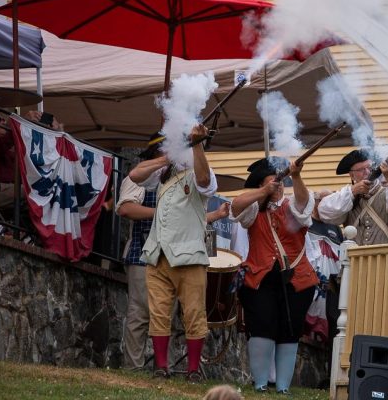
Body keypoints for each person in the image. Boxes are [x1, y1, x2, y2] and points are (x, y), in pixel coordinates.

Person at [117, 133, 230, 371]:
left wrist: (197, 144)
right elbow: (134, 175)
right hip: (156, 253)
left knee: (192, 314)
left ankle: (192, 370)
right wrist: (167, 159)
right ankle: (157, 368)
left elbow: (202, 179)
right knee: (155, 314)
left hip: (188, 255)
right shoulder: (160, 172)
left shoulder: (199, 175)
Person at [231, 157, 318, 394]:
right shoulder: (253, 208)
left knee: (290, 331)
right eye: (274, 180)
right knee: (261, 326)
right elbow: (235, 206)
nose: (279, 185)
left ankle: (282, 387)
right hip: (260, 279)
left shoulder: (292, 205)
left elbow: (305, 204)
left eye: (281, 181)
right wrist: (262, 191)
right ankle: (260, 384)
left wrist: (296, 175)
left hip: (297, 279)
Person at [318, 150, 388, 246]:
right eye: (361, 170)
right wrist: (353, 191)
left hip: (387, 259)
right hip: (356, 260)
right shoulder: (347, 198)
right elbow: (324, 212)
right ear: (352, 175)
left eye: (369, 167)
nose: (367, 172)